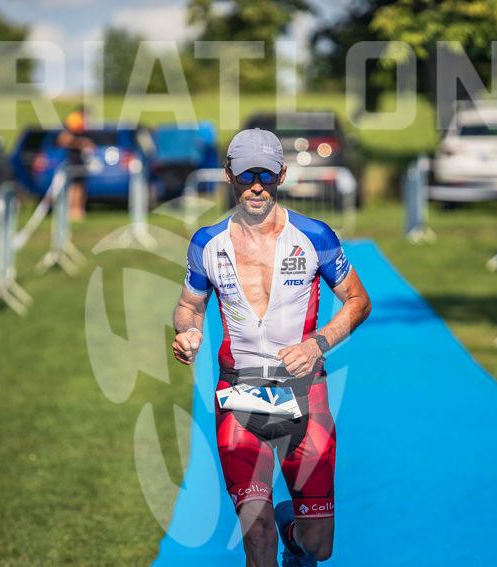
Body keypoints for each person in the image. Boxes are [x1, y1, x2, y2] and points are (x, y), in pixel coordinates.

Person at [171, 128, 371, 566]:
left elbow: (358, 301)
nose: (257, 186)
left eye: (265, 175)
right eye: (246, 175)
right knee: (256, 537)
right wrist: (189, 332)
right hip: (239, 395)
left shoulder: (315, 236)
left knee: (319, 545)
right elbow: (189, 306)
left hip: (304, 394)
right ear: (229, 175)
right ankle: (272, 532)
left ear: (281, 175)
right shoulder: (207, 243)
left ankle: (294, 533)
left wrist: (317, 344)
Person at [56, 105, 94, 221]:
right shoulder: (74, 121)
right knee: (75, 185)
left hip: (79, 159)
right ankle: (74, 210)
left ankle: (78, 210)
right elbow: (64, 139)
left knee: (79, 185)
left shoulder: (78, 124)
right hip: (73, 159)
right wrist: (82, 143)